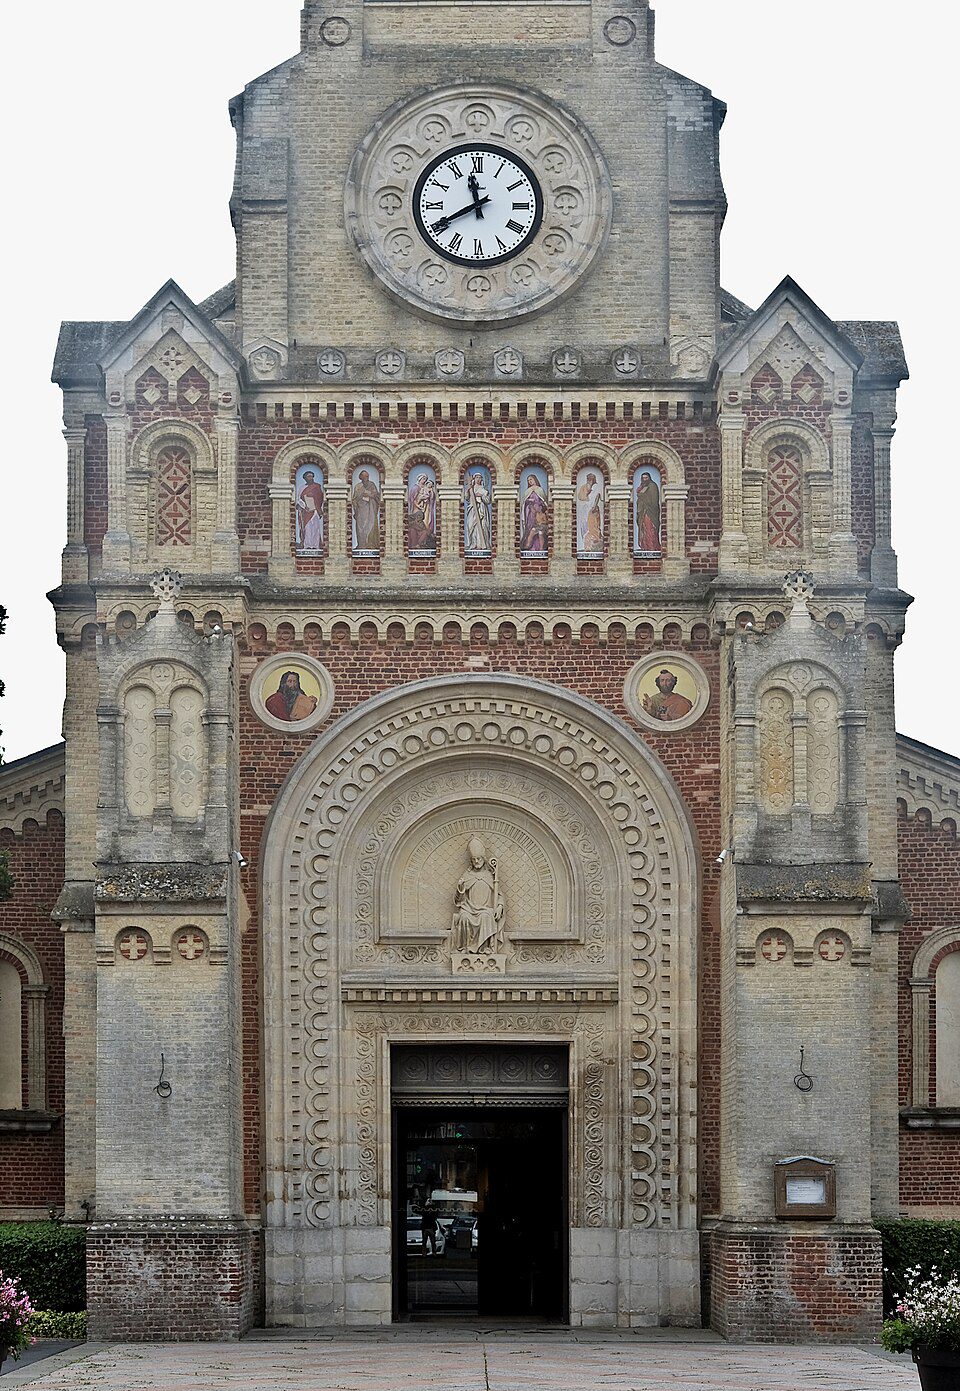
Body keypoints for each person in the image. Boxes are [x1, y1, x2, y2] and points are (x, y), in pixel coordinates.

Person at [452, 836, 505, 954]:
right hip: (469, 909)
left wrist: (500, 906)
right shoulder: (467, 876)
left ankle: (485, 948)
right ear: (471, 861)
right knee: (464, 917)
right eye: (474, 859)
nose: (476, 862)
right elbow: (459, 900)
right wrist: (460, 889)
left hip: (485, 910)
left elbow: (499, 894)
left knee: (486, 916)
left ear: (483, 859)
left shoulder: (490, 876)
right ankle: (466, 948)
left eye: (479, 859)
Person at [352, 469, 381, 552]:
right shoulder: (358, 486)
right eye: (365, 476)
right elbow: (354, 499)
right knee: (360, 527)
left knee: (371, 525)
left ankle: (371, 544)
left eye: (367, 476)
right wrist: (355, 510)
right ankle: (361, 545)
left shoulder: (372, 484)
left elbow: (377, 496)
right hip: (361, 510)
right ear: (361, 477)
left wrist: (370, 494)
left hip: (370, 509)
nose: (366, 478)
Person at [408, 471, 437, 553]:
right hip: (417, 507)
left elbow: (431, 498)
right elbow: (412, 499)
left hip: (426, 507)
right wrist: (418, 505)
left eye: (425, 479)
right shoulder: (415, 487)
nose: (424, 480)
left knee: (426, 521)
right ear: (420, 479)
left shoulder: (426, 487)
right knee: (417, 522)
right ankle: (415, 543)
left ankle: (425, 539)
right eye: (423, 478)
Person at [464, 471, 492, 554]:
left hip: (482, 509)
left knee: (483, 526)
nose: (478, 479)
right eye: (476, 477)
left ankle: (482, 544)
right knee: (471, 526)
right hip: (472, 509)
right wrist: (468, 489)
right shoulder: (471, 488)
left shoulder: (484, 489)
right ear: (474, 478)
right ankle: (473, 544)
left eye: (480, 477)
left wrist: (482, 496)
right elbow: (466, 497)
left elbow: (488, 500)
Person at [296, 470, 324, 552]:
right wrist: (304, 506)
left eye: (311, 476)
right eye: (308, 476)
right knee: (307, 528)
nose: (310, 478)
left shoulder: (317, 487)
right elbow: (299, 499)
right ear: (305, 478)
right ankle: (307, 545)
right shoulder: (302, 488)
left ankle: (315, 545)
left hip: (315, 510)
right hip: (306, 511)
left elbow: (320, 498)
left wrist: (314, 497)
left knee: (315, 528)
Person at [520, 475, 548, 555]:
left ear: (535, 479)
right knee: (530, 527)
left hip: (538, 512)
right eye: (528, 480)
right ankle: (529, 546)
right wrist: (528, 502)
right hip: (529, 512)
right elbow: (523, 502)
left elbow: (544, 501)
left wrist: (539, 505)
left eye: (531, 479)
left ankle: (540, 547)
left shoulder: (540, 490)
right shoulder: (527, 491)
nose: (530, 481)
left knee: (539, 531)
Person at [634, 471, 661, 554]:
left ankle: (652, 547)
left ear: (649, 478)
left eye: (646, 478)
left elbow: (653, 501)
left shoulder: (652, 486)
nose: (644, 480)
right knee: (643, 528)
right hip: (642, 511)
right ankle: (645, 547)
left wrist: (641, 495)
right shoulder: (642, 487)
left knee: (650, 528)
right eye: (643, 478)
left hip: (650, 512)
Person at [577, 472, 604, 554]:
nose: (590, 480)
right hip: (585, 509)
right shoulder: (584, 487)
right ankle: (587, 546)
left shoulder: (597, 487)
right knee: (585, 526)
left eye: (591, 479)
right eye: (588, 479)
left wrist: (594, 506)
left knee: (594, 525)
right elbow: (581, 497)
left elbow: (599, 497)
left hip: (593, 510)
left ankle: (596, 542)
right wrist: (587, 490)